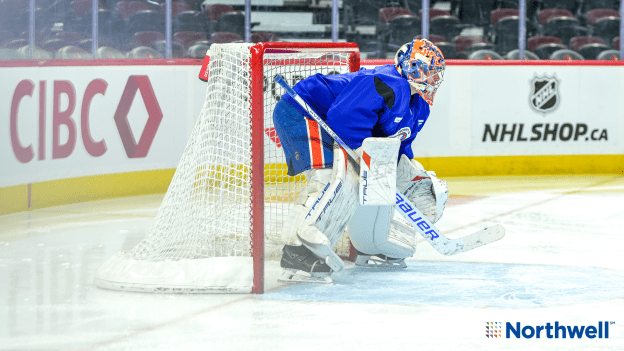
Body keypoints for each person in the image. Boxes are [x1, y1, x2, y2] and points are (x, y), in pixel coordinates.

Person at [272, 38, 449, 284]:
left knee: (388, 178)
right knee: (331, 178)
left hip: (331, 121)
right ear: (413, 67)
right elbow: (342, 117)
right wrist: (364, 156)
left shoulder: (420, 106)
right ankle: (297, 252)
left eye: (436, 74)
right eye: (430, 72)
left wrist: (403, 175)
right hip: (302, 111)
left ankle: (372, 241)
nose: (434, 80)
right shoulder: (387, 82)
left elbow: (397, 147)